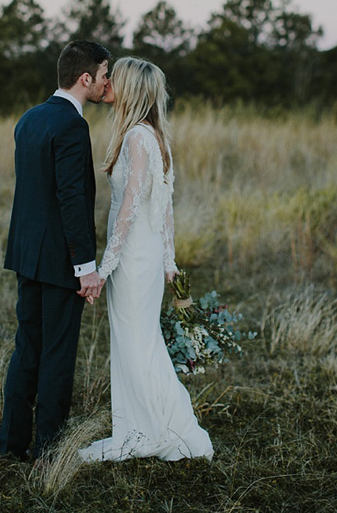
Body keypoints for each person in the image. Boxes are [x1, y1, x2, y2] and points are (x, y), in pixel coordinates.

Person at [79, 57, 213, 462]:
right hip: (148, 255)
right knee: (142, 342)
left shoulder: (138, 137)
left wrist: (104, 267)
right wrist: (169, 260)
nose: (109, 83)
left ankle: (150, 432)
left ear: (132, 89)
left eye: (115, 78)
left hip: (134, 258)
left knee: (136, 344)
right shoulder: (155, 136)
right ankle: (145, 426)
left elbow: (132, 207)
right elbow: (166, 207)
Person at [0, 40, 110, 462]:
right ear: (86, 79)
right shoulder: (71, 126)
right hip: (61, 261)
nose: (106, 84)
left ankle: (12, 443)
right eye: (103, 75)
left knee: (27, 346)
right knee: (58, 354)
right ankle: (49, 451)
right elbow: (70, 199)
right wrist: (86, 268)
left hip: (27, 255)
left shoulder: (30, 119)